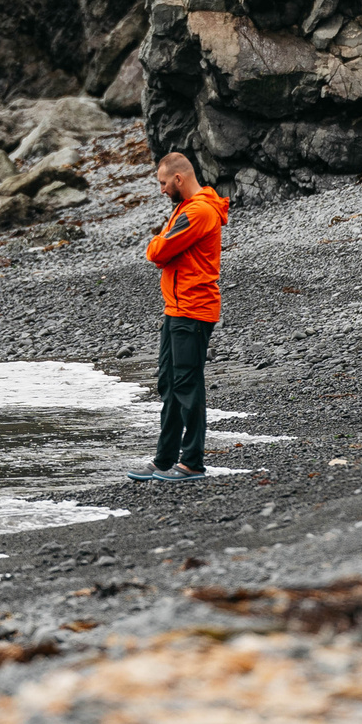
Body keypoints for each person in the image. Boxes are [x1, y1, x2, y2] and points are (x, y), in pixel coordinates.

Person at [131, 152, 227, 483]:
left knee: (187, 384)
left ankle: (193, 463)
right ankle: (164, 459)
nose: (160, 190)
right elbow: (162, 252)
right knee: (169, 383)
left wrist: (161, 247)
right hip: (177, 309)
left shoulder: (198, 211)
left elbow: (157, 251)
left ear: (178, 179)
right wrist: (163, 248)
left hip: (193, 309)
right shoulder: (185, 210)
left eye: (162, 183)